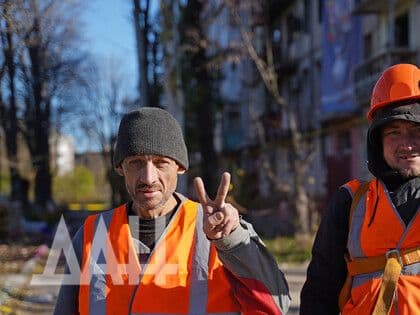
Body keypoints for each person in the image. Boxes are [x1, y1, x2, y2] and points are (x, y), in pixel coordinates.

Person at [54, 107, 290, 315]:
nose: (148, 177)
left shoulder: (221, 231)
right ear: (120, 168)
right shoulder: (91, 235)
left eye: (160, 163)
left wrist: (233, 240)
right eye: (135, 162)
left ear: (179, 167)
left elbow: (275, 306)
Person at [300, 63, 420, 314]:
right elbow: (320, 292)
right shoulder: (350, 202)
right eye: (394, 133)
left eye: (416, 131)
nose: (406, 144)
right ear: (377, 141)